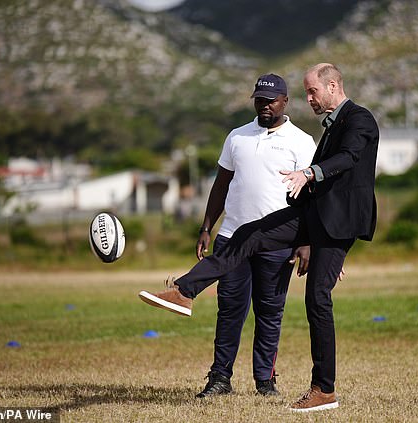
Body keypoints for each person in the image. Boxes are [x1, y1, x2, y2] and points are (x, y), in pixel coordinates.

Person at [139, 63, 379, 413]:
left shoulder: (359, 118)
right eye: (306, 92)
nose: (308, 98)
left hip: (337, 224)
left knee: (317, 300)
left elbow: (350, 157)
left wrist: (310, 174)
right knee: (251, 232)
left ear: (332, 85)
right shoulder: (326, 125)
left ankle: (324, 390)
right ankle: (184, 291)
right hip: (315, 215)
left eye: (312, 91)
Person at [193, 73, 316, 398]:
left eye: (270, 100)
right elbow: (221, 186)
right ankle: (220, 379)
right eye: (259, 100)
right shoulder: (237, 137)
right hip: (232, 239)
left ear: (285, 102)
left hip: (278, 243)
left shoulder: (301, 141)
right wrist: (207, 227)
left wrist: (305, 241)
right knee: (229, 311)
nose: (264, 106)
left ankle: (265, 380)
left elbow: (310, 198)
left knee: (269, 311)